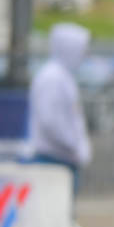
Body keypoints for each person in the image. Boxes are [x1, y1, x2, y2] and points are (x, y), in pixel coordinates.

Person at [29, 22, 92, 186]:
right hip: (53, 160)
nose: (85, 55)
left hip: (62, 158)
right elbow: (50, 121)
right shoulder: (52, 78)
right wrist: (73, 145)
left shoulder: (63, 76)